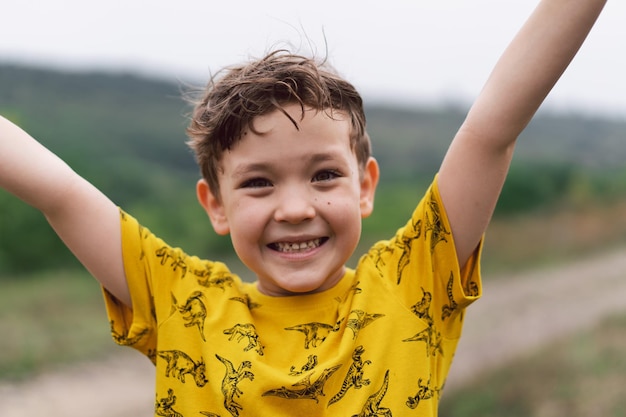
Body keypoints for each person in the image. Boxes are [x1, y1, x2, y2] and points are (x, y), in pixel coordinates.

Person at [0, 0, 607, 415]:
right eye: (259, 184)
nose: (295, 208)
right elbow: (59, 189)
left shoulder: (411, 282)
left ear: (365, 186)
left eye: (323, 175)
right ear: (215, 205)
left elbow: (491, 130)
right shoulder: (181, 302)